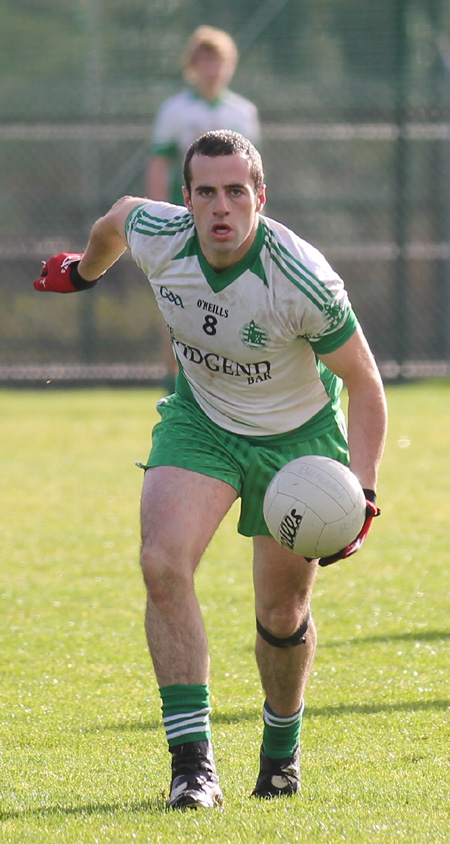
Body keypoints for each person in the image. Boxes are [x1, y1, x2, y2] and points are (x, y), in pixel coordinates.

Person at [34, 130, 388, 810]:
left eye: (235, 191)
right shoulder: (160, 234)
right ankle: (192, 768)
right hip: (203, 426)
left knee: (282, 612)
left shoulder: (301, 276)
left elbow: (367, 386)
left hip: (299, 442)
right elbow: (114, 220)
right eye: (206, 192)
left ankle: (280, 753)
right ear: (187, 199)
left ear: (260, 196)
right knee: (162, 563)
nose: (221, 206)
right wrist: (84, 272)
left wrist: (364, 493)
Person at [146, 25, 261, 391]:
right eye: (204, 59)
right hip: (188, 220)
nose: (212, 68)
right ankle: (176, 387)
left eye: (219, 60)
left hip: (230, 226)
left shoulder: (242, 112)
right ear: (192, 65)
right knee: (175, 300)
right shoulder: (175, 110)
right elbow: (159, 163)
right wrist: (158, 213)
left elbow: (252, 172)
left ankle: (230, 384)